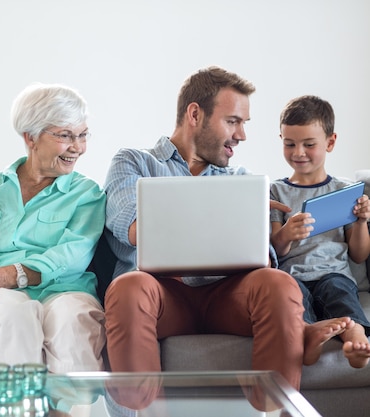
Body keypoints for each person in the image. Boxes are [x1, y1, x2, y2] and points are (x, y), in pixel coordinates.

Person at [102, 66, 349, 391]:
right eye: (233, 121)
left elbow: (267, 258)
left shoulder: (240, 180)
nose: (242, 134)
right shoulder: (135, 162)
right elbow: (134, 229)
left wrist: (256, 223)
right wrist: (220, 210)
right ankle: (141, 408)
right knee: (128, 288)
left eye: (244, 123)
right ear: (195, 114)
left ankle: (273, 409)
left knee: (278, 284)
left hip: (229, 295)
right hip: (161, 295)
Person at [0, 83, 107, 372]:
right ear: (31, 137)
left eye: (83, 135)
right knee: (12, 310)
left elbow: (74, 253)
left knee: (73, 319)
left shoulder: (87, 194)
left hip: (65, 291)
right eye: (65, 135)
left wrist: (10, 274)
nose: (78, 147)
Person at [270, 95, 370, 369]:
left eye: (309, 144)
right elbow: (275, 250)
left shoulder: (343, 191)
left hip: (333, 273)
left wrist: (361, 222)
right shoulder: (275, 192)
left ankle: (356, 335)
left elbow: (359, 255)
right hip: (293, 276)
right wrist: (287, 234)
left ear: (330, 142)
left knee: (339, 293)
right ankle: (308, 334)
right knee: (293, 301)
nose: (298, 152)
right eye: (289, 144)